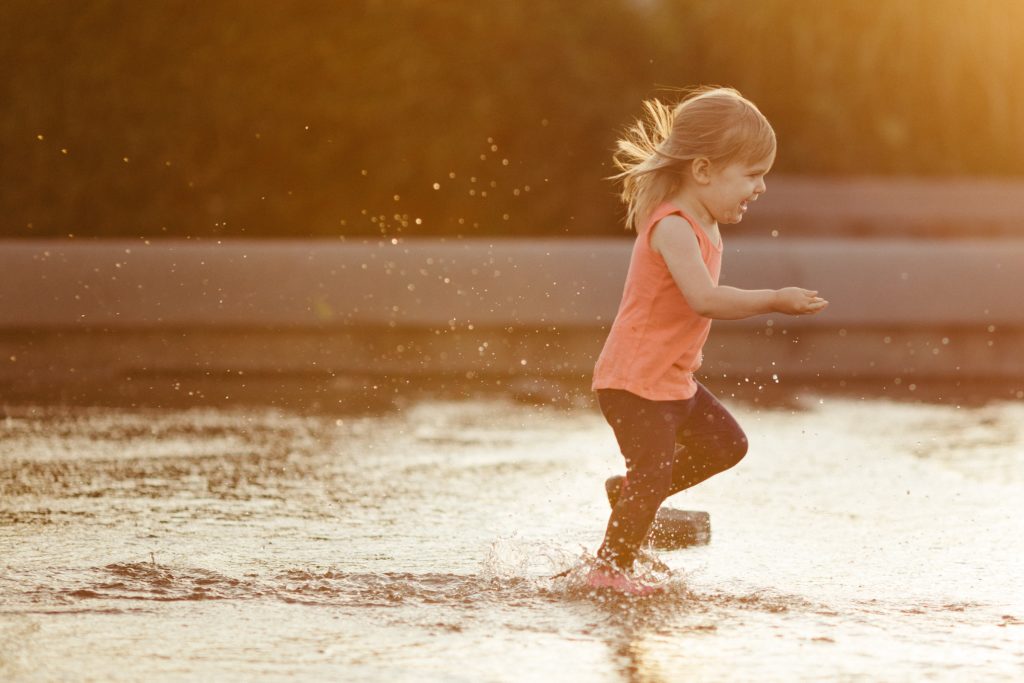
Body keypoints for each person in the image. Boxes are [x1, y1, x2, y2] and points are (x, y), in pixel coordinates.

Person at [588, 87, 828, 596]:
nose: (760, 187)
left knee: (726, 445)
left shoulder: (707, 223)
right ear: (702, 170)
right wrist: (774, 299)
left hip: (671, 381)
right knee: (651, 476)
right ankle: (608, 572)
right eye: (751, 174)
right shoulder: (673, 227)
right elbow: (704, 298)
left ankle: (629, 494)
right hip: (634, 382)